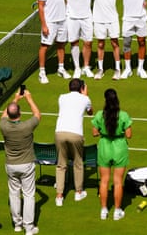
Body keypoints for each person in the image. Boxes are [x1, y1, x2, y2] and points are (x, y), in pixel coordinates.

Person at [0, 89, 41, 235]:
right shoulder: (27, 126)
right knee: (29, 195)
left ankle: (17, 225)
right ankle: (28, 227)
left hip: (11, 165)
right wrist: (29, 98)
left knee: (14, 194)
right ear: (20, 114)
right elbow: (37, 115)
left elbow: (4, 115)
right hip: (26, 164)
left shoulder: (3, 125)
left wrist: (16, 98)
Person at [92, 88, 132, 221]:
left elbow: (94, 133)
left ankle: (103, 210)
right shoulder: (124, 115)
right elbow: (129, 135)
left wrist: (103, 132)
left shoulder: (99, 115)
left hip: (104, 147)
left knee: (104, 181)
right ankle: (117, 211)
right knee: (118, 182)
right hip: (119, 148)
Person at [55, 78, 93, 206]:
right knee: (78, 163)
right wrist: (85, 95)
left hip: (59, 132)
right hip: (76, 134)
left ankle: (59, 196)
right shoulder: (85, 99)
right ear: (82, 88)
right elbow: (90, 112)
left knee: (61, 165)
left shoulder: (61, 97)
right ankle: (78, 192)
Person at [37, 0, 71, 84]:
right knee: (44, 46)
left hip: (62, 19)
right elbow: (40, 6)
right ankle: (42, 72)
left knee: (61, 44)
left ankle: (61, 68)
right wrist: (44, 25)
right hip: (50, 21)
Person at [63, 0, 97, 78]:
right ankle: (77, 68)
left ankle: (86, 67)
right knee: (74, 42)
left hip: (87, 16)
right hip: (72, 16)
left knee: (88, 42)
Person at [91, 0, 122, 80]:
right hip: (98, 19)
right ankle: (100, 69)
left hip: (112, 19)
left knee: (115, 43)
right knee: (100, 44)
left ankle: (118, 69)